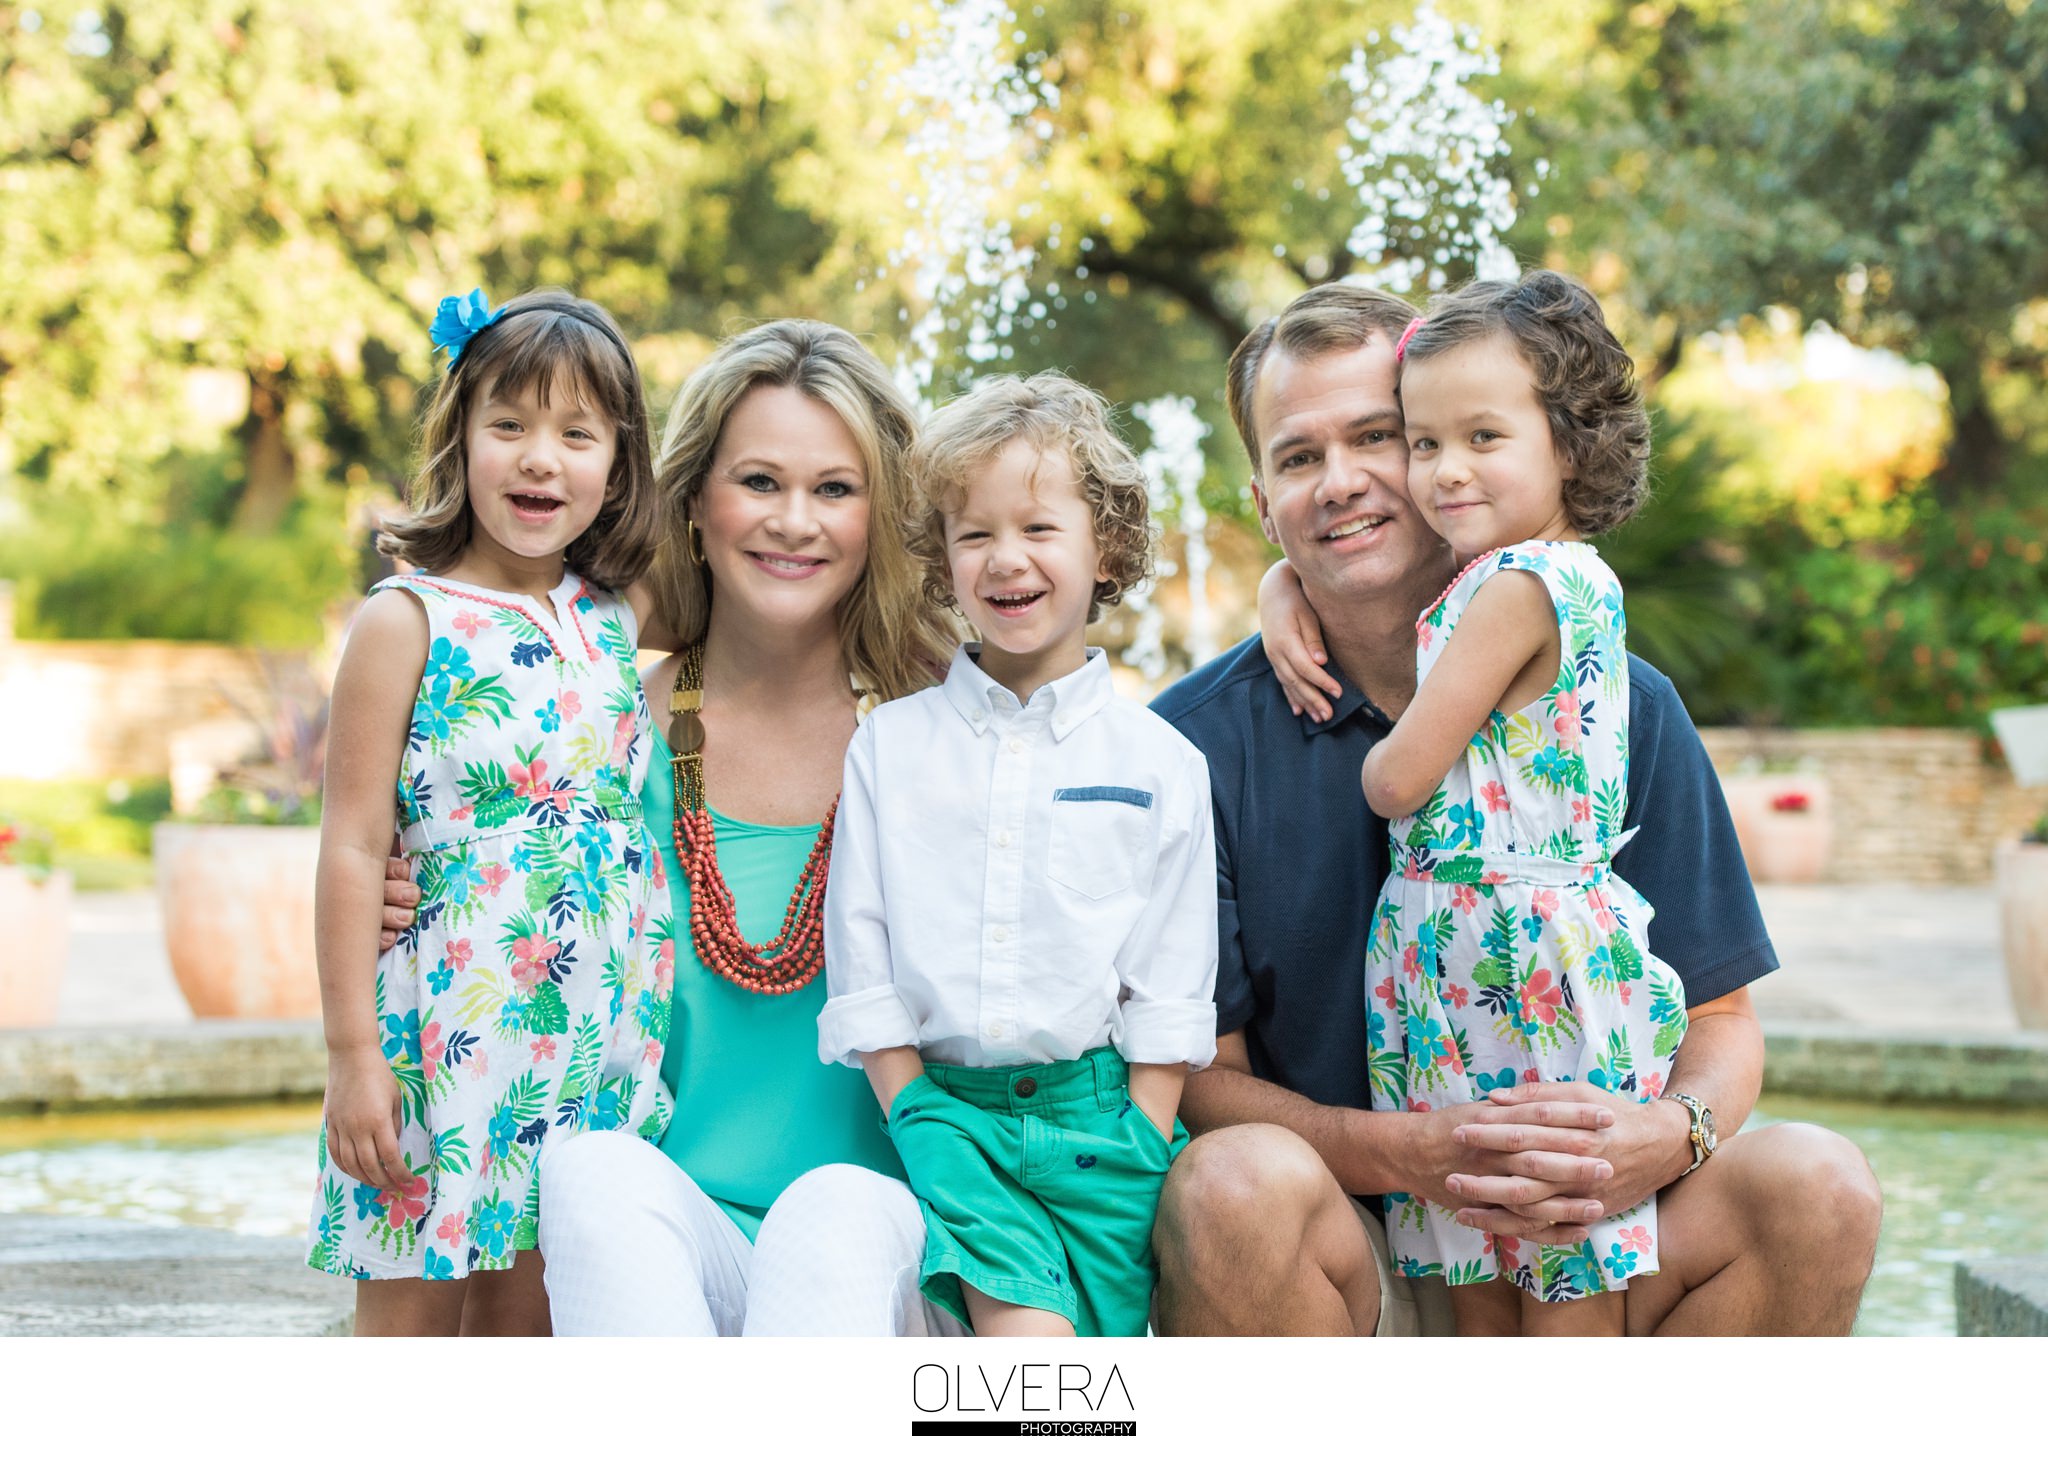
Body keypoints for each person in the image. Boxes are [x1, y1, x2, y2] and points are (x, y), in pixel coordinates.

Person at [1149, 280, 1884, 1336]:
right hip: (1339, 1250)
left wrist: (1665, 1135)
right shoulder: (1191, 746)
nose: (1344, 482)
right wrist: (1411, 1154)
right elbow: (1195, 1082)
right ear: (1262, 502)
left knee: (1818, 1184)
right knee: (1229, 1185)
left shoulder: (1617, 701)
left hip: (1582, 1221)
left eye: (1380, 437)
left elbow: (1724, 1024)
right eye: (1298, 457)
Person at [818, 373, 1218, 1337]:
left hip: (1107, 1129)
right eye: (974, 534)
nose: (1007, 560)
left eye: (1039, 529)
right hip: (950, 1117)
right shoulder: (890, 745)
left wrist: (1145, 1133)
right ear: (942, 557)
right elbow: (861, 946)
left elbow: (1170, 980)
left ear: (1105, 547)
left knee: (1106, 1374)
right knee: (1031, 1364)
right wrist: (914, 1110)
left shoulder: (1163, 763)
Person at [309, 289, 672, 1336]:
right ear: (459, 436)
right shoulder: (407, 619)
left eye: (576, 434)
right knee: (413, 1327)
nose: (538, 458)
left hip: (588, 1036)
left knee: (532, 1326)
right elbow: (349, 844)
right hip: (442, 1033)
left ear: (618, 463)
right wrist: (350, 1053)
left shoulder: (613, 619)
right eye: (507, 425)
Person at [1352, 270, 1689, 1335]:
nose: (1443, 470)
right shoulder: (1548, 575)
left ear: (1567, 443)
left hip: (1504, 948)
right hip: (1495, 950)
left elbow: (1398, 776)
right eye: (1421, 442)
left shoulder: (1511, 589)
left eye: (1482, 438)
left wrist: (1371, 770)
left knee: (1532, 1245)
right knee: (1514, 1248)